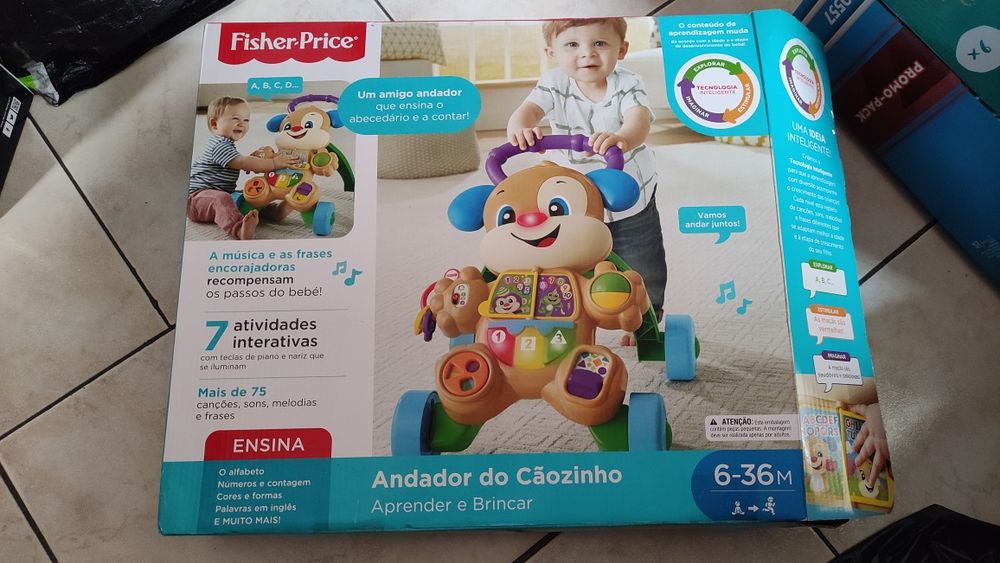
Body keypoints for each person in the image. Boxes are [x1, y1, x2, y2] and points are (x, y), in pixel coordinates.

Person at [506, 18, 665, 344]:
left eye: (600, 44)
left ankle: (645, 317)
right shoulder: (553, 83)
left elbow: (639, 120)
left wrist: (622, 138)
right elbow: (528, 111)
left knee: (641, 260)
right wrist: (520, 127)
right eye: (572, 45)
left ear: (621, 49)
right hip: (570, 198)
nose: (587, 53)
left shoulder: (628, 83)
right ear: (552, 52)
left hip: (626, 194)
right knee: (563, 259)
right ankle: (560, 314)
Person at [187, 96, 299, 240]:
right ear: (214, 124)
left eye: (246, 120)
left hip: (222, 192)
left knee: (250, 194)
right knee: (221, 199)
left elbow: (242, 161)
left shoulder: (226, 144)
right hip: (196, 199)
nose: (242, 124)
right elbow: (241, 162)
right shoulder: (218, 146)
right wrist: (274, 163)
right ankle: (238, 229)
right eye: (235, 119)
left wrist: (255, 161)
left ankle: (271, 212)